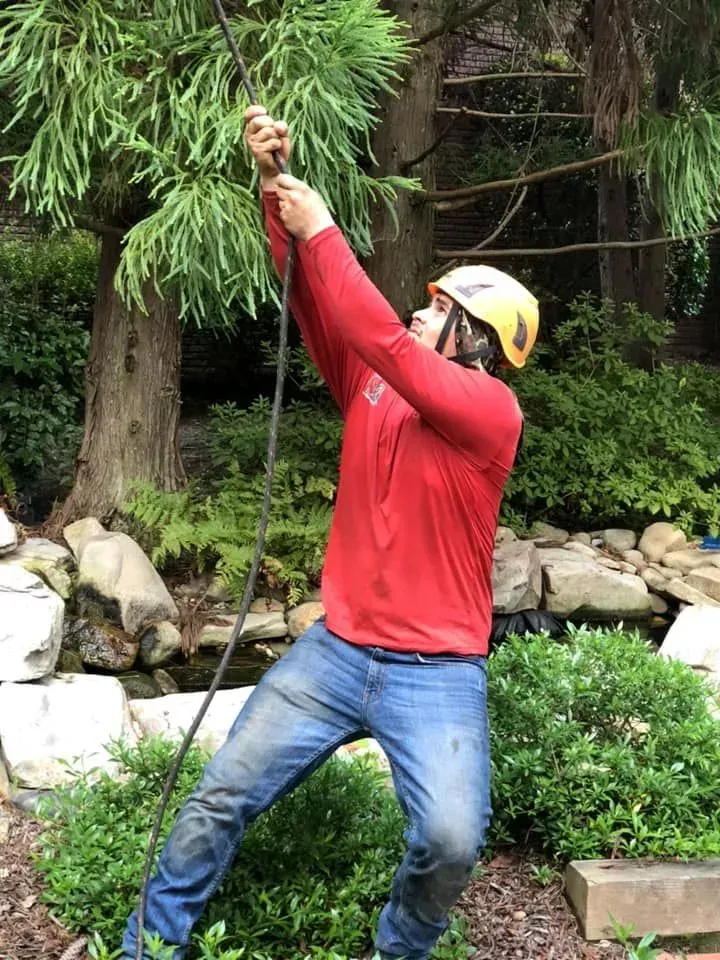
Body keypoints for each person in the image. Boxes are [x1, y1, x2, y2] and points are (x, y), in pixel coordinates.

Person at [121, 106, 539, 960]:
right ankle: (145, 948)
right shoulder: (376, 387)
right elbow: (322, 308)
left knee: (453, 841)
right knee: (218, 795)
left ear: (476, 341)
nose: (420, 313)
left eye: (440, 310)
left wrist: (328, 227)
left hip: (438, 672)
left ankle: (399, 950)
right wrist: (276, 185)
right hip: (338, 651)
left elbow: (381, 334)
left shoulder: (489, 412)